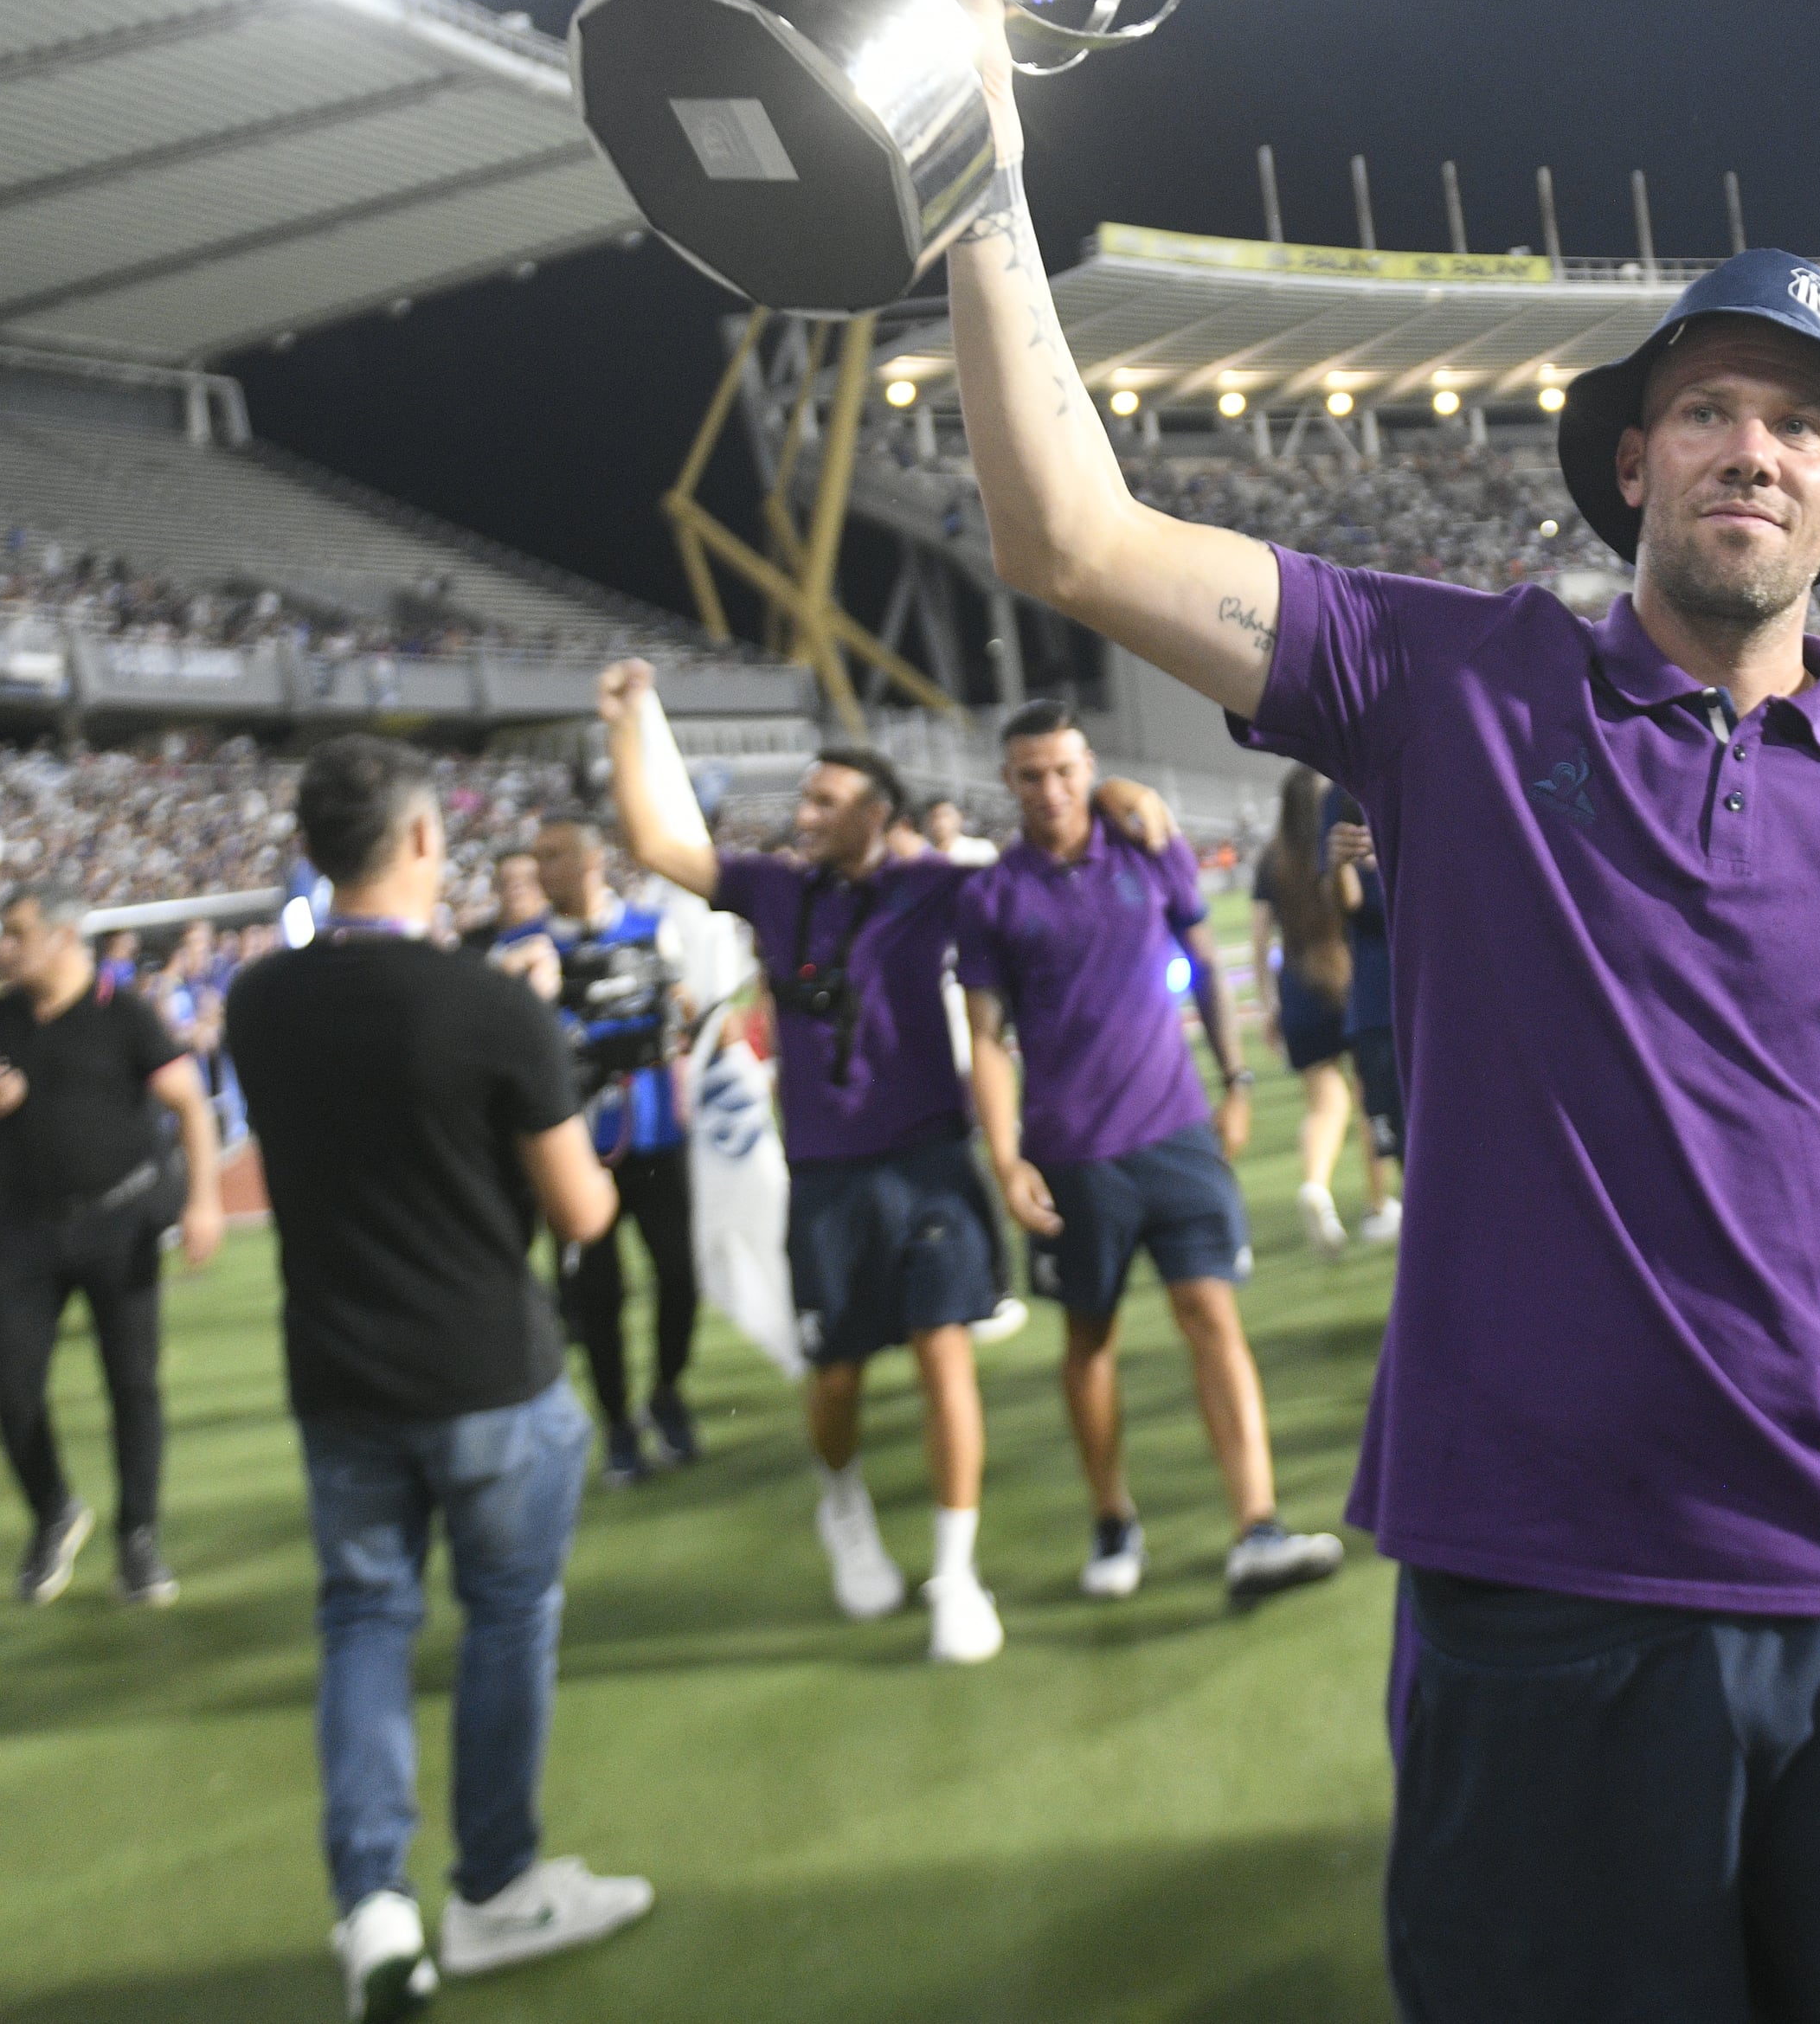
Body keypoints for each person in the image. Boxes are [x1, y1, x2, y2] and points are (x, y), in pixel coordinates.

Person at [925, 0, 1820, 2022]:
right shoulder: (1442, 682)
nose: (1754, 443)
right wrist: (971, 146)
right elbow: (1068, 537)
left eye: (1802, 426)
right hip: (1540, 1589)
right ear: (1636, 456)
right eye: (1714, 406)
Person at [601, 672, 1174, 1655]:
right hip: (824, 1176)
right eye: (806, 799)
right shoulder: (774, 890)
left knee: (946, 1350)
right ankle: (843, 1505)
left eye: (824, 800)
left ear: (877, 815)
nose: (803, 813)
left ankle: (956, 1576)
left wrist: (1122, 794)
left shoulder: (940, 889)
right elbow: (657, 845)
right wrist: (620, 727)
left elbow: (1048, 853)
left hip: (930, 1160)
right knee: (836, 1384)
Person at [226, 736, 653, 2016]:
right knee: (507, 1622)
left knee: (364, 1623)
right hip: (488, 1371)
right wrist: (546, 1054)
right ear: (422, 842)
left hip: (341, 1374)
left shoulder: (257, 1000)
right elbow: (581, 1214)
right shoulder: (494, 1007)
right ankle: (494, 1884)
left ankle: (373, 1908)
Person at [957, 702, 1342, 1607]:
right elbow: (982, 1037)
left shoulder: (1146, 845)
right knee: (1089, 1338)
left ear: (1087, 766)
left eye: (1063, 769)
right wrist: (1006, 1158)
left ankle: (1257, 1527)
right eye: (1029, 774)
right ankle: (1111, 1518)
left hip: (1176, 1134)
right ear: (1006, 784)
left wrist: (1237, 1082)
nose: (1049, 789)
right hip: (1071, 1153)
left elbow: (1204, 966)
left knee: (1213, 1317)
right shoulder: (991, 896)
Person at [0, 883, 228, 1610]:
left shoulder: (125, 1015)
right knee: (13, 1391)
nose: (0, 948)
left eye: (16, 933)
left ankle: (139, 1537)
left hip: (121, 1223)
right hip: (24, 1227)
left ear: (64, 938)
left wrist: (203, 1199)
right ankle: (54, 1510)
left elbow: (190, 1104)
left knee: (132, 1384)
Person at [516, 813, 700, 1486]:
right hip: (577, 1152)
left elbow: (687, 1005)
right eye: (537, 857)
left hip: (656, 1138)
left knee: (680, 1273)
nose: (541, 869)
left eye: (554, 855)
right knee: (598, 1294)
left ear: (593, 862)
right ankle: (619, 1423)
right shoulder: (523, 949)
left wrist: (680, 1014)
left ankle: (668, 1394)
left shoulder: (651, 928)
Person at [1256, 766, 1398, 1256]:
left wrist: (1266, 1003)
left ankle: (1316, 1186)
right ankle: (1378, 1205)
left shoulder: (1272, 860)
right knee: (1367, 1100)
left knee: (1325, 1105)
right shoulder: (1338, 839)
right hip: (1347, 978)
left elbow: (1260, 939)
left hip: (1297, 986)